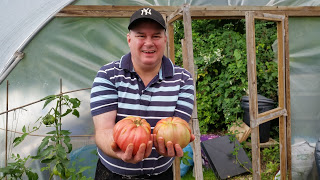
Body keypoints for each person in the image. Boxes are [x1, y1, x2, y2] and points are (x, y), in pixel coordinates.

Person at [90, 7, 195, 180]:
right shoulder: (108, 75)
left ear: (165, 40)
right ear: (129, 39)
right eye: (141, 35)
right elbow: (103, 131)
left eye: (156, 36)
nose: (149, 42)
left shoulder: (183, 79)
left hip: (161, 175)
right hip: (112, 175)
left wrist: (173, 143)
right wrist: (118, 151)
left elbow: (178, 127)